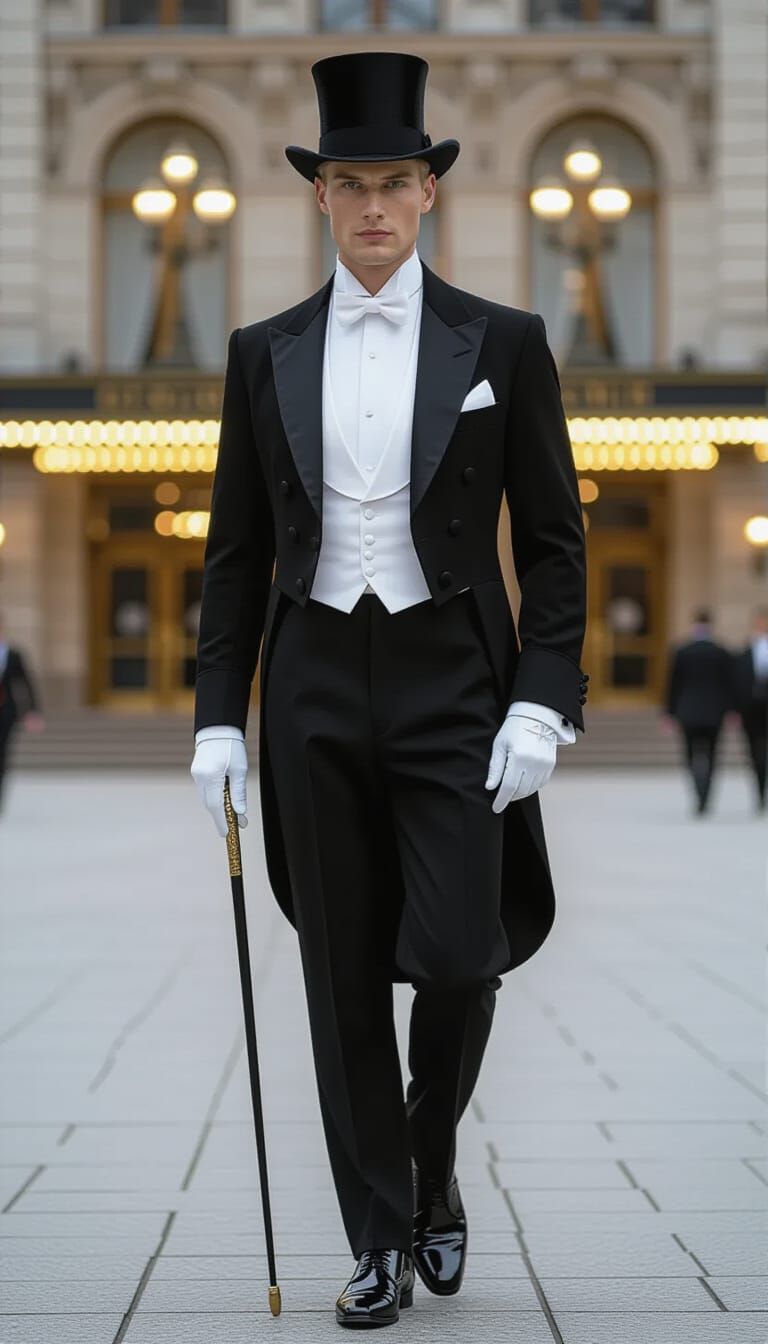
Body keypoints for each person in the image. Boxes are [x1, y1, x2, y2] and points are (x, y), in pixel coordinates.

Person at [191, 51, 588, 1329]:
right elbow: (237, 554)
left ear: (429, 196)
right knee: (343, 973)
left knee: (463, 957)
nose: (373, 203)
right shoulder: (264, 354)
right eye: (350, 181)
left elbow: (556, 545)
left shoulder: (505, 344)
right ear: (320, 197)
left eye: (396, 181)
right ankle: (375, 1236)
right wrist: (214, 716)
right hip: (309, 682)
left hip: (451, 682)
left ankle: (428, 1171)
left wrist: (542, 696)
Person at [662, 608, 733, 815]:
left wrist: (669, 712)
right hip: (714, 712)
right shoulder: (721, 651)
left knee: (690, 754)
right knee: (712, 754)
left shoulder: (682, 651)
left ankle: (697, 792)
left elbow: (673, 685)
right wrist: (731, 710)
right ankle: (706, 795)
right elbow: (729, 684)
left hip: (688, 711)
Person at [0, 612, 44, 814]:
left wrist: (32, 711)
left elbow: (26, 684)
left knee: (2, 755)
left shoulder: (13, 654)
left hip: (5, 713)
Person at [731, 605, 768, 810]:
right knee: (755, 752)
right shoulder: (745, 653)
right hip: (752, 710)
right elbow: (737, 682)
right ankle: (760, 791)